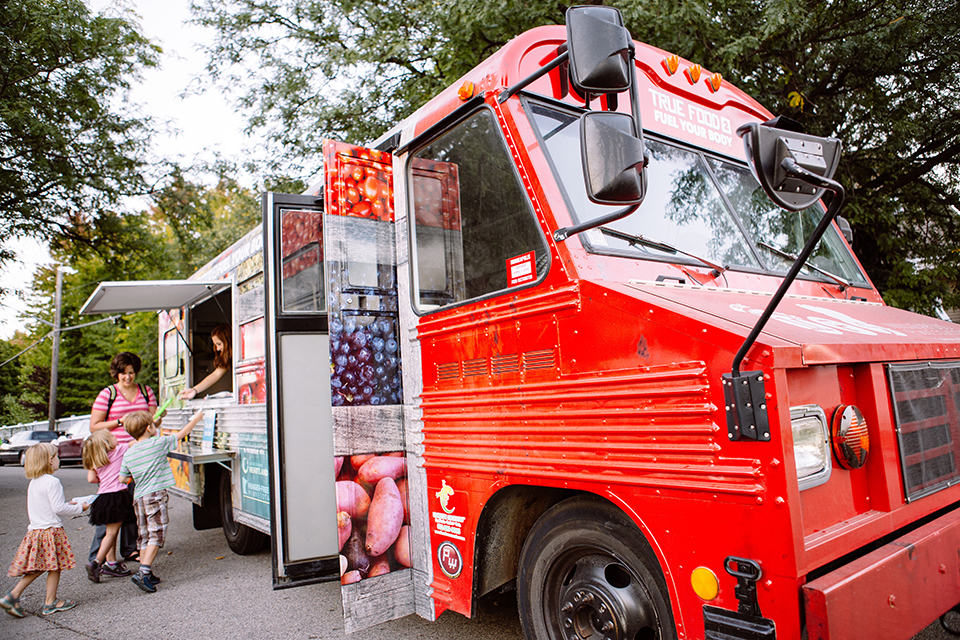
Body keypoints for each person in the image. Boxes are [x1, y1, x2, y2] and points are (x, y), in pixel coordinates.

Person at [119, 408, 204, 593]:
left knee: (143, 535)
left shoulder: (129, 452)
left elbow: (123, 478)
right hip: (155, 495)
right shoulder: (158, 443)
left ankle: (147, 573)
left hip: (139, 497)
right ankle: (143, 572)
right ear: (150, 427)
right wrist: (196, 418)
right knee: (156, 533)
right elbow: (182, 433)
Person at [1, 443, 89, 618]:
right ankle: (39, 600)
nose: (59, 460)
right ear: (50, 461)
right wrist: (81, 507)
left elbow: (47, 506)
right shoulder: (52, 481)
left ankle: (46, 599)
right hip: (50, 531)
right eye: (57, 457)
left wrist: (67, 505)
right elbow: (58, 508)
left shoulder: (34, 482)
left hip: (36, 530)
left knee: (50, 566)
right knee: (51, 566)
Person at [88, 351, 159, 566]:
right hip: (115, 456)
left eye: (131, 372)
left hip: (140, 453)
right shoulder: (107, 394)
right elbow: (94, 426)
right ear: (116, 373)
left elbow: (153, 420)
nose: (128, 377)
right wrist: (120, 421)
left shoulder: (146, 392)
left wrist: (155, 422)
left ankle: (130, 549)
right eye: (123, 373)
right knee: (113, 503)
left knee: (134, 502)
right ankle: (97, 556)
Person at [82, 430, 135, 582]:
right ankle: (97, 562)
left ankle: (111, 563)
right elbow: (137, 442)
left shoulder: (96, 459)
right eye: (112, 436)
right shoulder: (119, 450)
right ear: (107, 443)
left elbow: (92, 479)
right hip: (116, 496)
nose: (115, 437)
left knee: (109, 532)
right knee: (112, 533)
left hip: (102, 497)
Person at [180, 323, 232, 399]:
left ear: (228, 341)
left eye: (219, 344)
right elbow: (216, 375)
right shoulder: (227, 357)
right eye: (215, 345)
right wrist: (195, 390)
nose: (217, 349)